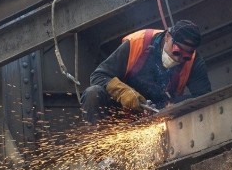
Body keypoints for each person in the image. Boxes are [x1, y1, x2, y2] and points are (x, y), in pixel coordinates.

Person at [81, 20, 212, 123]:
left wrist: (175, 105)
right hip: (119, 111)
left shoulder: (194, 62)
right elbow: (99, 75)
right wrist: (125, 93)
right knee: (93, 93)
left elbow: (204, 98)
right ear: (167, 37)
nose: (178, 58)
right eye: (176, 51)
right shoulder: (138, 42)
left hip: (158, 115)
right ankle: (99, 154)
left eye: (185, 56)